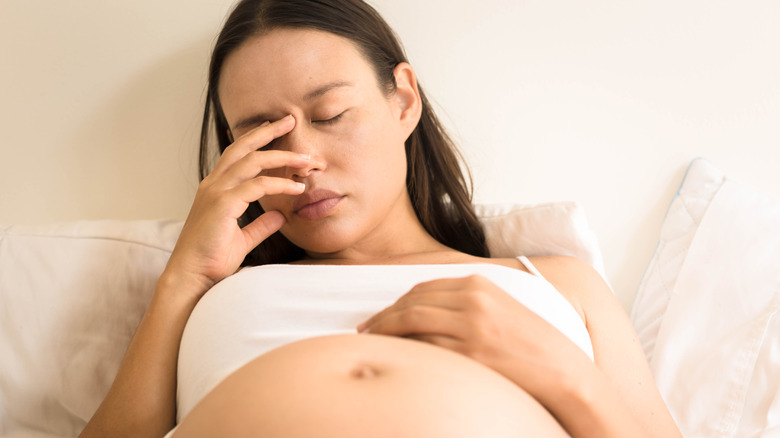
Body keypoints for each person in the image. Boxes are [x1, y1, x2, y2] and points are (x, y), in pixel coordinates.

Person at [80, 0, 682, 436]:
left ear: (403, 101)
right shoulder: (204, 292)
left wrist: (562, 372)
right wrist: (186, 278)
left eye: (332, 113)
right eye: (263, 135)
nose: (303, 161)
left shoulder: (558, 282)